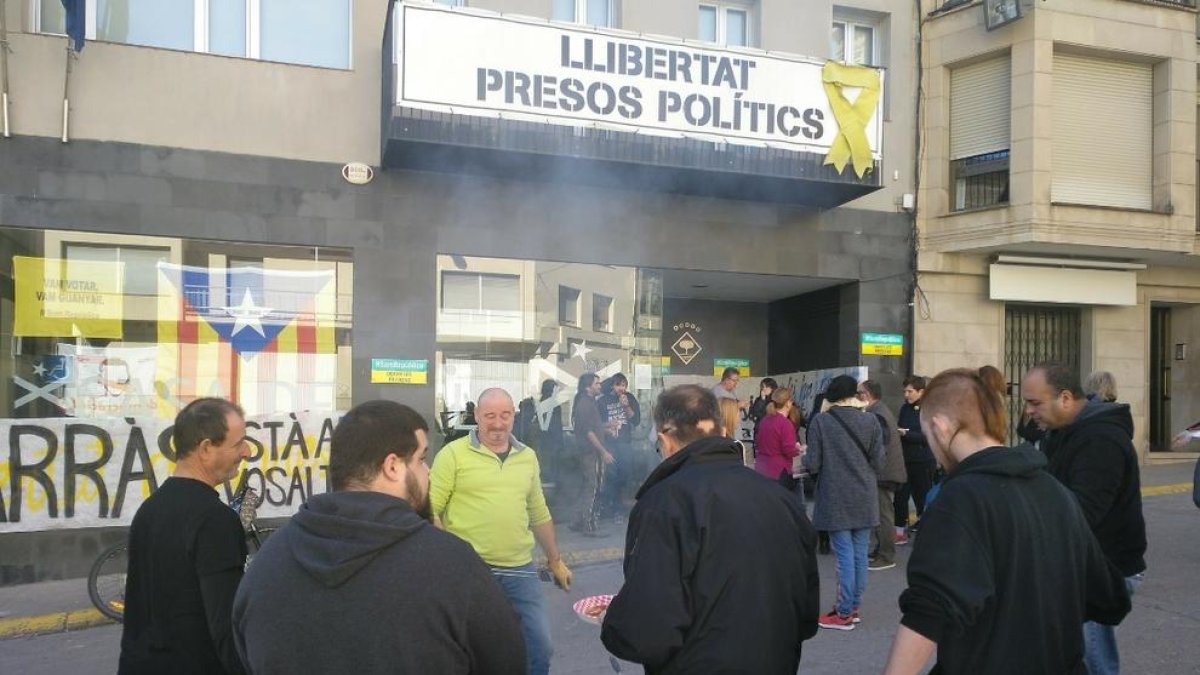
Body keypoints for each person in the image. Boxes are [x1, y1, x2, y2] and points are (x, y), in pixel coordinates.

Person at [232, 401, 525, 674]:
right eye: (422, 459)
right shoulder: (453, 565)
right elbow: (507, 662)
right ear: (393, 466)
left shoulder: (267, 564)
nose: (429, 472)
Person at [883, 368, 1130, 675]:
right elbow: (1109, 598)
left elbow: (928, 613)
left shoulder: (959, 499)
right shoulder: (1056, 491)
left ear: (940, 426)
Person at [601, 385, 819, 674]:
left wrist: (613, 621)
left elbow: (649, 633)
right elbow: (806, 615)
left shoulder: (665, 503)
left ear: (665, 440)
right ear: (722, 431)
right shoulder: (781, 499)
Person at [430, 388, 573, 675]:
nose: (498, 423)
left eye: (505, 415)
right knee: (473, 652)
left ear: (514, 416)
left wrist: (555, 560)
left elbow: (538, 512)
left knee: (539, 647)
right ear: (476, 416)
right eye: (490, 416)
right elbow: (429, 509)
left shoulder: (528, 456)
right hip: (470, 571)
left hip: (520, 569)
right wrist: (450, 558)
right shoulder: (453, 454)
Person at [1022, 362, 1147, 675]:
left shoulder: (1100, 440)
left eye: (1035, 403)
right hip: (1079, 566)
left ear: (1065, 398)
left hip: (1100, 570)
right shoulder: (1063, 433)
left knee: (1093, 664)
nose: (1029, 412)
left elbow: (1082, 512)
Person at [119, 398, 252, 675]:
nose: (247, 451)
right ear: (205, 449)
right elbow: (227, 627)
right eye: (239, 443)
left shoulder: (150, 509)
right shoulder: (215, 521)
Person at [802, 375, 884, 630]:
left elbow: (813, 463)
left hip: (836, 495)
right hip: (865, 494)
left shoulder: (821, 422)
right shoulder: (870, 420)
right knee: (859, 553)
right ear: (854, 395)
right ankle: (854, 606)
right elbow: (879, 463)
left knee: (845, 556)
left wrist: (803, 460)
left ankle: (844, 612)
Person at [858, 379, 907, 571]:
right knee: (881, 512)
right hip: (886, 471)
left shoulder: (877, 415)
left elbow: (880, 447)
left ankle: (887, 555)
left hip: (884, 473)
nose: (857, 396)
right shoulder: (879, 411)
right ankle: (881, 549)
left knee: (883, 514)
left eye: (859, 393)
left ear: (867, 394)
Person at [895, 375, 934, 545]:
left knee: (922, 497)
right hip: (905, 460)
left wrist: (907, 434)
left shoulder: (929, 410)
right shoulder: (905, 409)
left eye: (910, 391)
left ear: (921, 392)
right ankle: (899, 531)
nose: (906, 395)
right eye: (904, 391)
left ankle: (927, 531)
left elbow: (930, 436)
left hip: (923, 461)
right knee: (900, 496)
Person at [596, 373, 641, 522]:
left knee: (625, 474)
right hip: (609, 444)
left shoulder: (630, 398)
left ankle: (617, 505)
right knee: (611, 476)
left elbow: (635, 421)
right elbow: (595, 425)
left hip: (625, 443)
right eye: (618, 385)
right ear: (612, 386)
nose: (621, 388)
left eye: (623, 385)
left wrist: (626, 406)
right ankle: (614, 508)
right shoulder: (602, 401)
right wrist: (608, 428)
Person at [570, 373, 611, 536]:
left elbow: (593, 427)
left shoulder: (588, 402)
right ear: (588, 387)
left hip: (590, 452)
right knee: (594, 487)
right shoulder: (585, 404)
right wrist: (603, 451)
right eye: (597, 383)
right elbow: (588, 432)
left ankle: (577, 521)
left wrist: (606, 427)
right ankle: (589, 525)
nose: (600, 386)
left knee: (588, 486)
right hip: (591, 453)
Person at [754, 387, 803, 490]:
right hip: (779, 471)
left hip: (762, 469)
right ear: (788, 403)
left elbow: (758, 443)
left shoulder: (765, 420)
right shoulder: (785, 424)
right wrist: (799, 449)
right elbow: (789, 451)